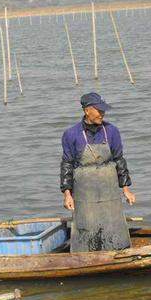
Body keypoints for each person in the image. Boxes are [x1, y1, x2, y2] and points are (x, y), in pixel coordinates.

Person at [60, 92, 136, 252]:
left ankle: (118, 249)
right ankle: (85, 254)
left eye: (104, 110)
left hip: (109, 189)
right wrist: (67, 194)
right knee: (86, 225)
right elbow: (67, 165)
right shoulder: (71, 134)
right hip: (84, 192)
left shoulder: (112, 131)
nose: (102, 113)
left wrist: (126, 189)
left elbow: (119, 161)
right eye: (98, 110)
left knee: (113, 222)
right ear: (87, 111)